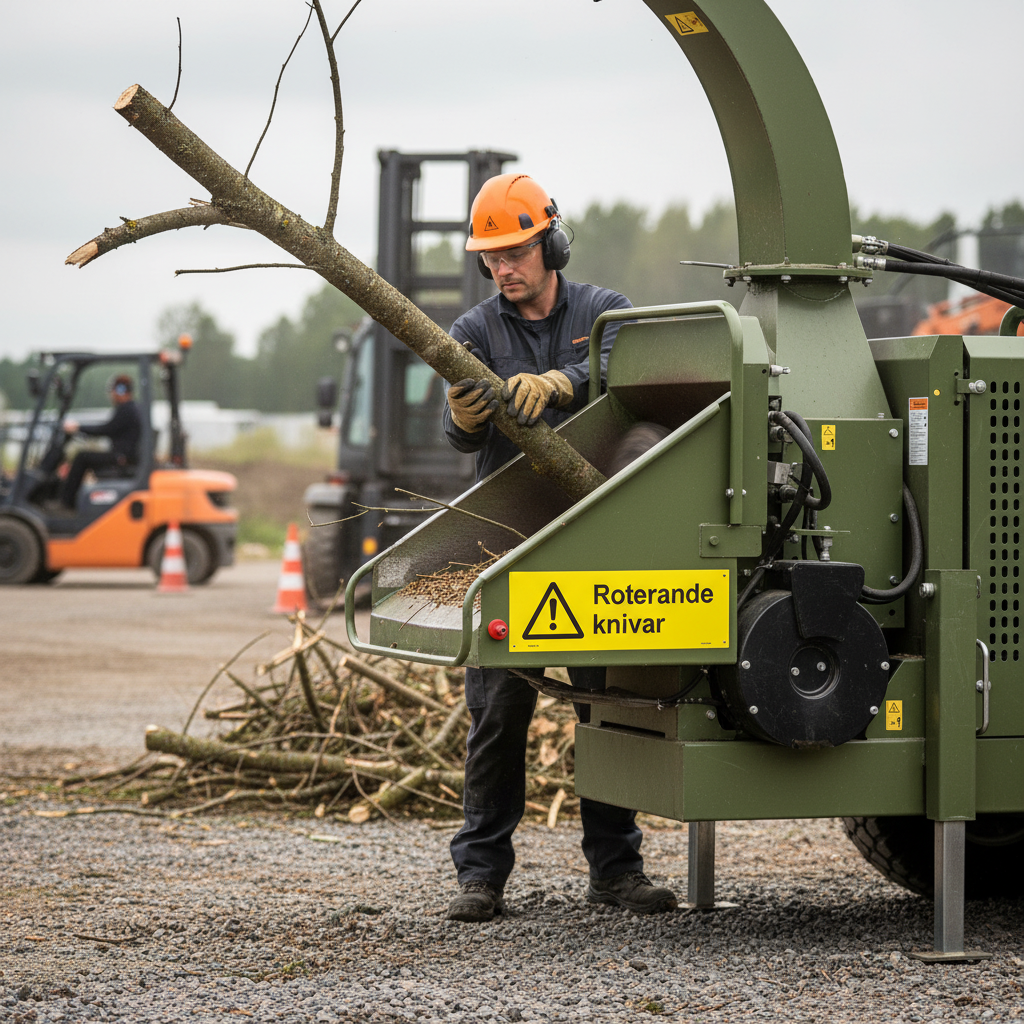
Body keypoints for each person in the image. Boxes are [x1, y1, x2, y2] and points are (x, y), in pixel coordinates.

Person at [442, 173, 678, 923]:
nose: (502, 269)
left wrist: (564, 382)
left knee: (603, 707)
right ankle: (480, 877)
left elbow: (633, 373)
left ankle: (616, 871)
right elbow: (457, 438)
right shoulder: (474, 331)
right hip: (511, 540)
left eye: (513, 252)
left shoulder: (603, 312)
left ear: (550, 242)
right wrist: (461, 411)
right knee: (498, 711)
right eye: (490, 258)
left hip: (595, 535)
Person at [60, 374, 142, 509]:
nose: (111, 395)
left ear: (120, 390)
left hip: (121, 457)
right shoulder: (132, 408)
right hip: (123, 455)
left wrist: (78, 428)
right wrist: (82, 430)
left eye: (112, 391)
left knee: (82, 457)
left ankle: (66, 502)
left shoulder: (126, 410)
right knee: (84, 456)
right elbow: (109, 428)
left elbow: (106, 429)